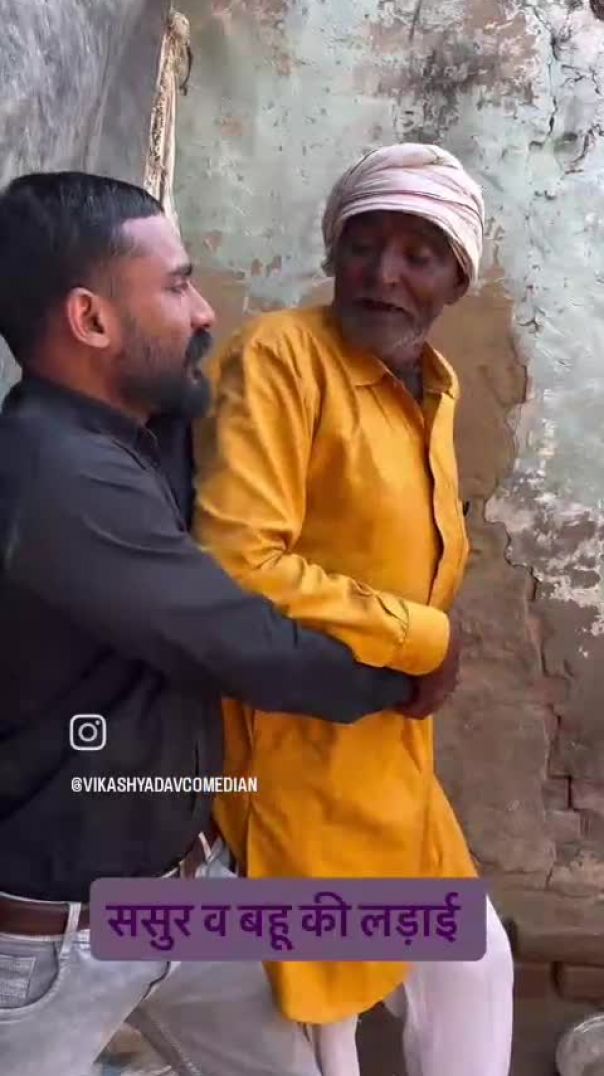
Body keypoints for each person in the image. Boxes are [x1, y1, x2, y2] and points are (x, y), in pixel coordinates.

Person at [0, 171, 422, 1076]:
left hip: (185, 900)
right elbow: (240, 641)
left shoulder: (141, 434)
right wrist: (407, 672)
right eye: (177, 285)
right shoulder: (59, 477)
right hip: (51, 945)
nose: (203, 313)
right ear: (91, 320)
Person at [194, 143, 514, 1076]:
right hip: (295, 748)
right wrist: (425, 638)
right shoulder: (280, 358)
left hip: (389, 755)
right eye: (364, 246)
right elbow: (237, 559)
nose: (383, 274)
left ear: (457, 279)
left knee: (471, 963)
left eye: (420, 255)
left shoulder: (433, 386)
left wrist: (419, 646)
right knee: (323, 1021)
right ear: (333, 252)